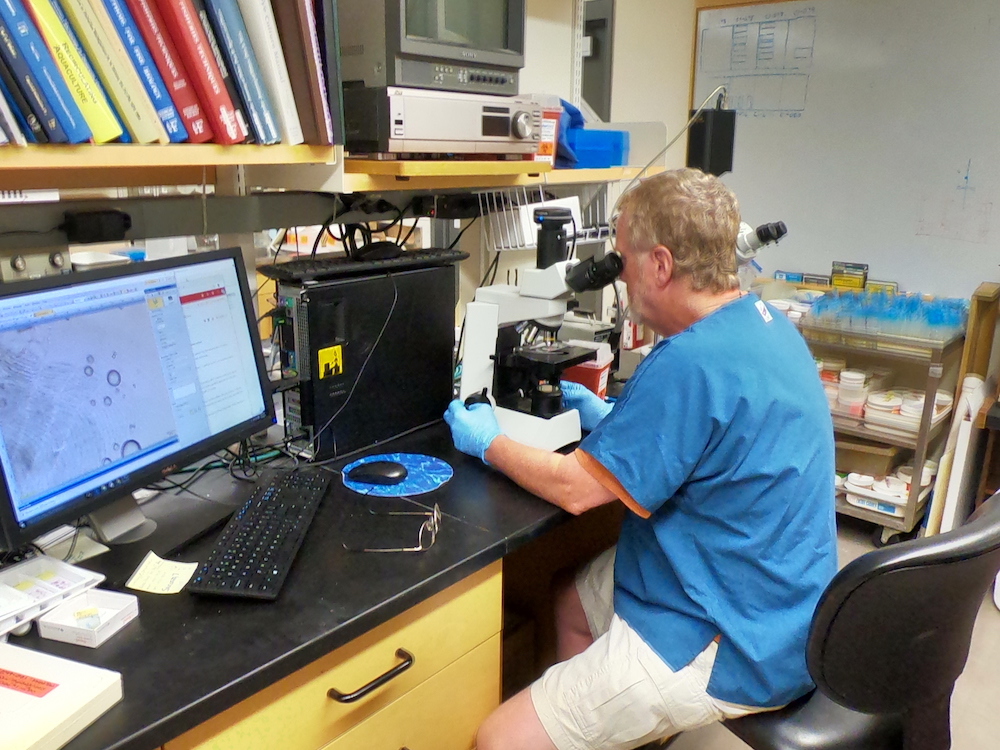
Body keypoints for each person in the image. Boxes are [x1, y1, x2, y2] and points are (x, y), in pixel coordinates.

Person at [443, 168, 837, 750]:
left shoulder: (687, 362)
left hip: (730, 638)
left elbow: (577, 490)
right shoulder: (765, 324)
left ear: (659, 265)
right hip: (787, 601)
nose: (619, 278)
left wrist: (487, 441)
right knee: (570, 599)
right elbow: (712, 439)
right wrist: (615, 423)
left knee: (498, 739)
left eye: (621, 260)